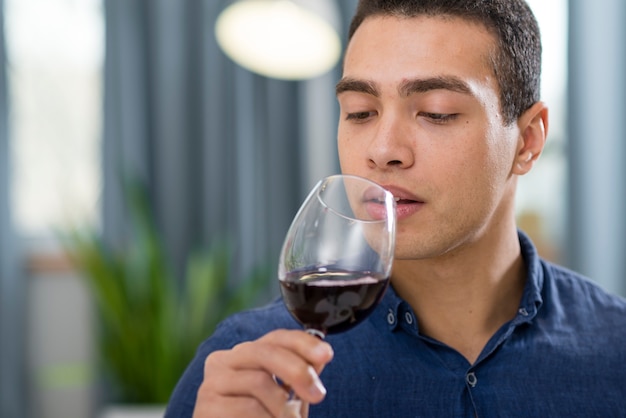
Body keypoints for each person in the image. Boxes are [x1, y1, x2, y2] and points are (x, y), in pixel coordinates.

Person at [166, 0, 626, 416]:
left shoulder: (616, 353)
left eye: (437, 112)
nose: (383, 150)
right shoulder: (245, 377)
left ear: (527, 141)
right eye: (361, 112)